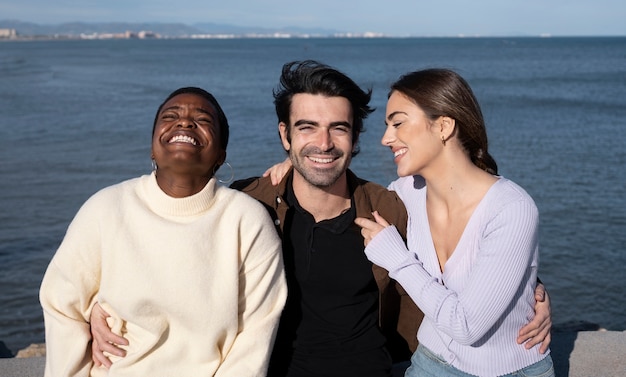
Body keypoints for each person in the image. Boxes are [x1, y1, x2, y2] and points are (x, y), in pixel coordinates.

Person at [89, 62, 552, 377]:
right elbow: (163, 245)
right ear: (284, 136)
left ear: (354, 139)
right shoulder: (248, 205)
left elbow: (484, 247)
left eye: (339, 128)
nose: (324, 143)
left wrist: (531, 295)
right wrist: (101, 306)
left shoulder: (388, 206)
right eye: (307, 127)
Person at [39, 87, 287, 377]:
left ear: (221, 154)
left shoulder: (247, 221)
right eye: (171, 116)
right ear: (152, 148)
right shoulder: (106, 208)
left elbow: (254, 337)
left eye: (203, 119)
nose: (185, 122)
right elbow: (62, 306)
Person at [355, 69, 554, 376]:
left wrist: (397, 258)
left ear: (444, 126)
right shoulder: (404, 194)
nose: (385, 138)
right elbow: (337, 195)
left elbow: (466, 326)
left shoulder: (511, 208)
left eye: (398, 123)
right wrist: (293, 164)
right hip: (429, 364)